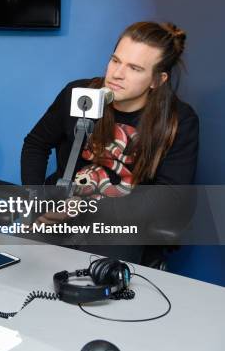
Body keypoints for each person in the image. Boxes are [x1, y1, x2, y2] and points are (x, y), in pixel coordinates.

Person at [20, 21, 199, 262]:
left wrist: (85, 210)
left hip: (120, 227)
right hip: (59, 211)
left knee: (90, 285)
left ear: (157, 80)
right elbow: (36, 144)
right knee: (21, 267)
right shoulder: (79, 93)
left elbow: (169, 196)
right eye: (115, 61)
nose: (117, 74)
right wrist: (37, 200)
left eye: (135, 68)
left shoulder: (180, 120)